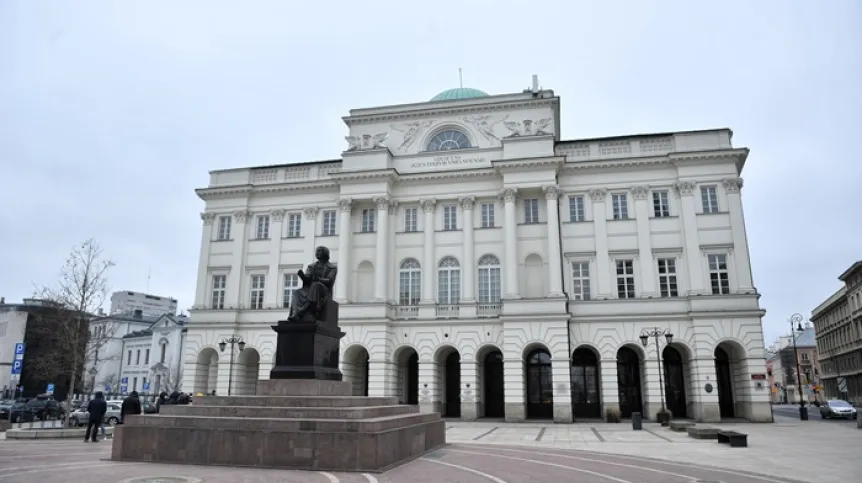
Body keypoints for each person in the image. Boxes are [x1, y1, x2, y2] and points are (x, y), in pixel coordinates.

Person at [286, 246, 337, 323]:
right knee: (297, 292)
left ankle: (301, 312)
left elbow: (329, 280)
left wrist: (318, 279)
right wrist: (302, 276)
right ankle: (295, 313)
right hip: (311, 288)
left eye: (320, 251)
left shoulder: (332, 267)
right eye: (317, 251)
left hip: (324, 290)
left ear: (325, 253)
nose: (317, 253)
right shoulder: (311, 266)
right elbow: (307, 278)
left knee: (315, 285)